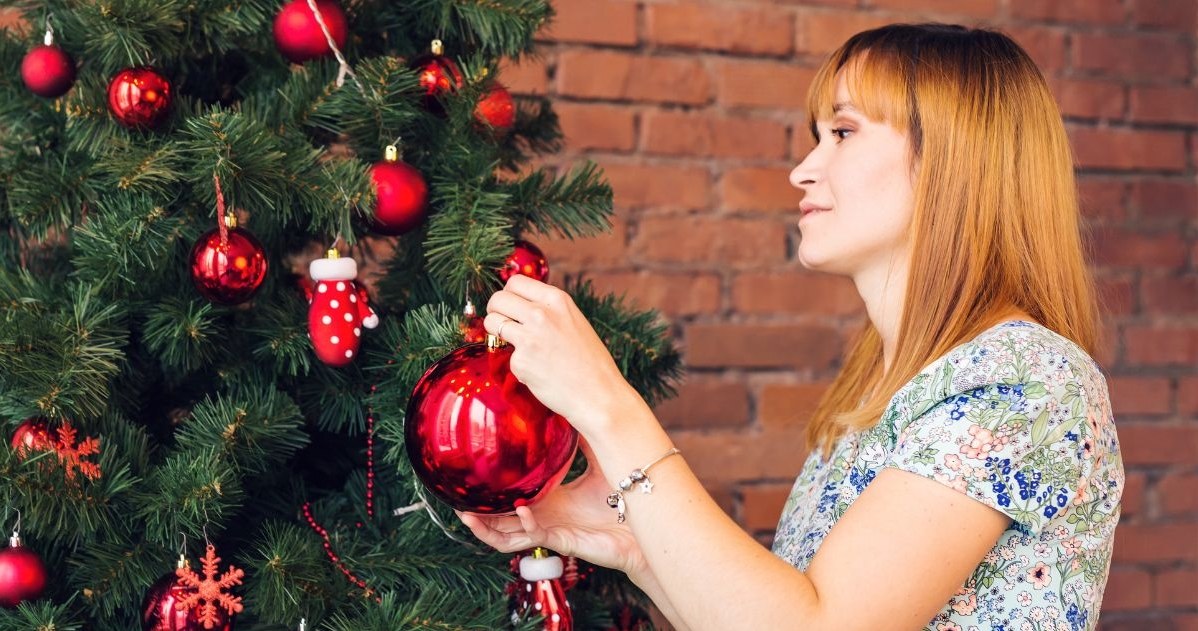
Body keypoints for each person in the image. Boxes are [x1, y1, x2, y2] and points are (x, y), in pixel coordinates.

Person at [459, 23, 1124, 631]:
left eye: (842, 132)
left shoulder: (1025, 380)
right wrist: (635, 543)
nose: (803, 169)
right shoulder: (881, 398)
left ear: (952, 160)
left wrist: (608, 406)